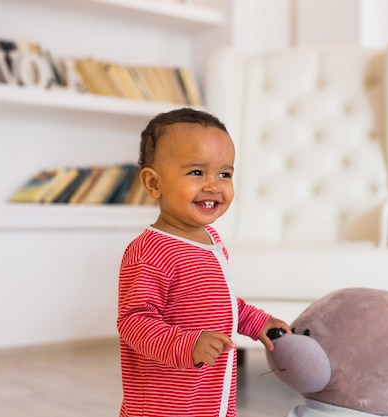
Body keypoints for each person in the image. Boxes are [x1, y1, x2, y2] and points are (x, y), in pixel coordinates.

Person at [117, 107, 292, 417]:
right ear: (154, 184)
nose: (214, 185)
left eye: (224, 174)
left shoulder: (211, 239)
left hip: (210, 397)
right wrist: (187, 344)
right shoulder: (148, 251)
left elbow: (218, 301)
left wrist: (256, 322)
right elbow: (134, 322)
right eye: (197, 172)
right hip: (165, 407)